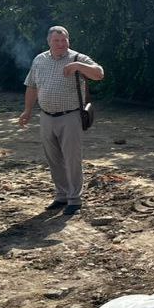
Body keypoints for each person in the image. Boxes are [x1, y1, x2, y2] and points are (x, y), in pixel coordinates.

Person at [18, 26, 104, 215]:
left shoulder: (77, 58)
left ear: (68, 41)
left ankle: (75, 199)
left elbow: (99, 74)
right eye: (56, 41)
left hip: (70, 116)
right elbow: (32, 86)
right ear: (49, 42)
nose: (60, 44)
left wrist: (79, 67)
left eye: (64, 40)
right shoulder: (39, 60)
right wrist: (27, 110)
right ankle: (61, 195)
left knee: (72, 158)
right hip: (46, 116)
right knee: (54, 159)